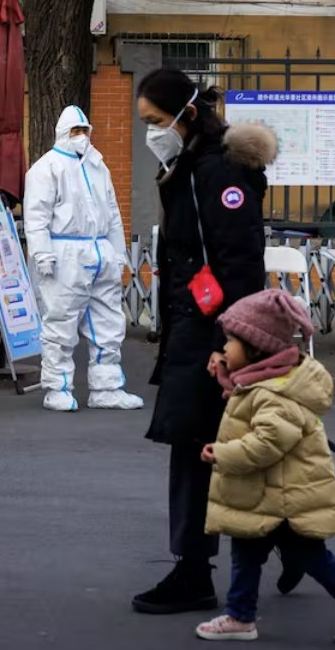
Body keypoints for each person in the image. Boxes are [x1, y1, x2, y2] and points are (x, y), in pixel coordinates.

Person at [131, 68, 277, 615]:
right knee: (211, 448)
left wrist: (229, 341)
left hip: (212, 332)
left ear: (186, 116)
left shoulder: (215, 172)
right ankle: (285, 549)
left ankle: (194, 572)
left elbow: (239, 263)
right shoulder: (190, 165)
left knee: (199, 449)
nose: (150, 132)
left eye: (155, 121)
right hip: (193, 326)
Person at [194, 289, 335, 646]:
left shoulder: (274, 395)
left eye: (230, 343)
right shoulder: (265, 379)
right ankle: (240, 616)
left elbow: (266, 444)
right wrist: (225, 368)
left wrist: (223, 454)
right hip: (269, 494)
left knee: (308, 555)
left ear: (256, 346)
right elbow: (240, 392)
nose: (224, 349)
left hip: (286, 498)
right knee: (246, 547)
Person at [23, 106, 143, 412]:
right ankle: (57, 388)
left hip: (99, 250)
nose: (81, 137)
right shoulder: (46, 168)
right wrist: (43, 254)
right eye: (75, 132)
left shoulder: (97, 165)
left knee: (108, 323)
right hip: (65, 254)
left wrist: (118, 254)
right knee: (60, 323)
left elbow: (113, 214)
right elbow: (36, 218)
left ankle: (107, 387)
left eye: (84, 131)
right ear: (63, 134)